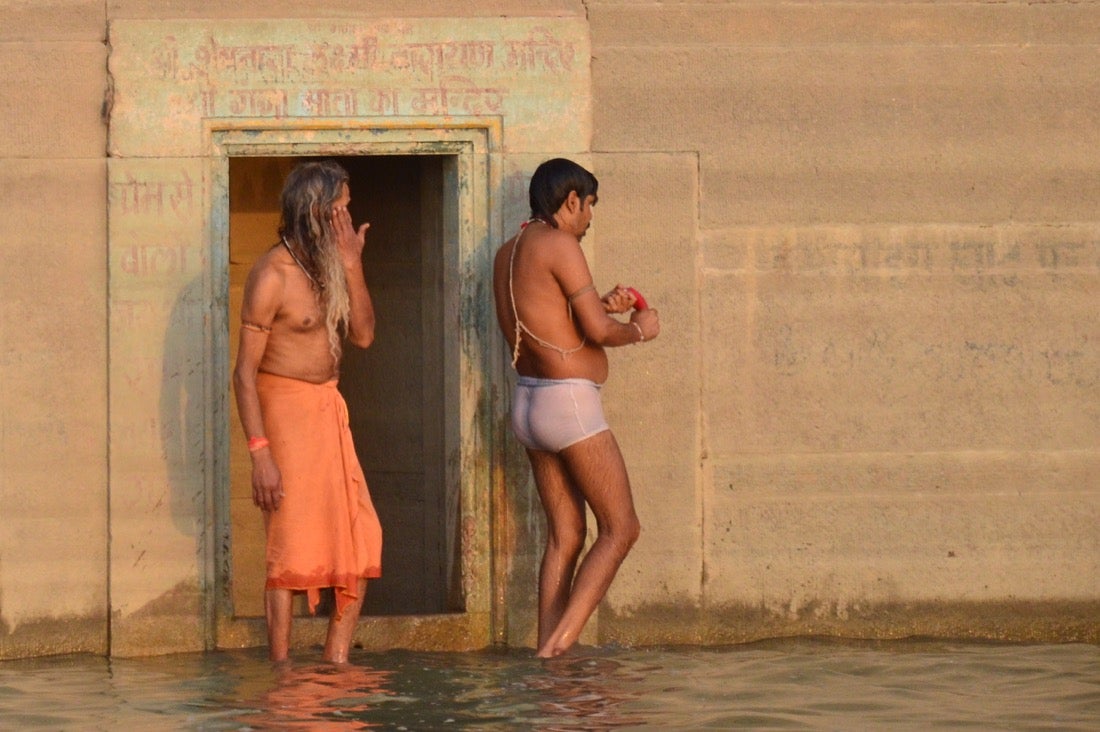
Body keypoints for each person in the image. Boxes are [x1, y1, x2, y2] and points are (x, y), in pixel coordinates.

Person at [492, 158, 660, 658]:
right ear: (571, 202)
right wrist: (638, 328)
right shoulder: (560, 244)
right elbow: (601, 333)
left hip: (527, 403)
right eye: (589, 208)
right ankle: (556, 650)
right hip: (567, 406)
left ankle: (548, 664)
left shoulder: (507, 252)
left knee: (566, 535)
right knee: (621, 528)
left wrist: (599, 304)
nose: (589, 220)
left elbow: (553, 319)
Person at [232, 159, 383, 663]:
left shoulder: (334, 263)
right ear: (315, 212)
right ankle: (280, 670)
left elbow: (363, 335)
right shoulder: (271, 274)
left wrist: (353, 263)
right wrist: (260, 454)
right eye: (339, 209)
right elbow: (243, 374)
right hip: (285, 412)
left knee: (362, 535)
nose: (347, 216)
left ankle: (335, 663)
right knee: (291, 546)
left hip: (327, 410)